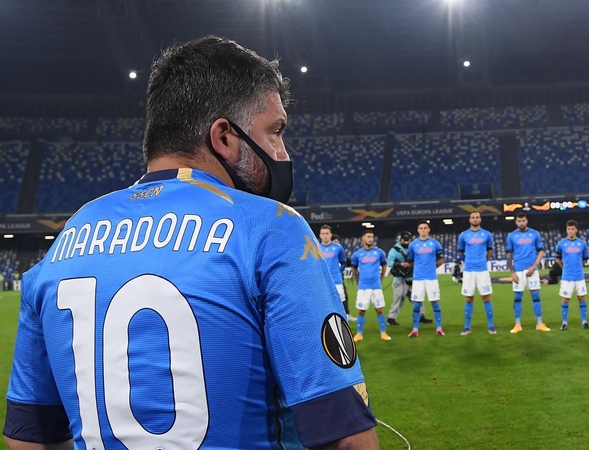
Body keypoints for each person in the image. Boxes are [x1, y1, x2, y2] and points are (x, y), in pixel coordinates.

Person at [3, 36, 379, 450]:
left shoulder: (66, 240)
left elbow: (28, 439)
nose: (282, 152)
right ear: (224, 137)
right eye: (275, 132)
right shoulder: (272, 230)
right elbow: (346, 439)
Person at [506, 212, 549, 333]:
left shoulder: (535, 234)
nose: (521, 223)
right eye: (519, 221)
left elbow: (541, 251)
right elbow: (508, 255)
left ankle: (540, 323)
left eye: (523, 221)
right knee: (517, 297)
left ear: (527, 221)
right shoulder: (511, 236)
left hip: (532, 270)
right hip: (518, 270)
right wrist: (512, 272)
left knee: (536, 296)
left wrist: (534, 266)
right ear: (516, 222)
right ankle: (517, 324)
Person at [457, 211, 496, 335]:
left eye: (477, 217)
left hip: (482, 270)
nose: (475, 219)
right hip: (469, 271)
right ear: (470, 220)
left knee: (486, 297)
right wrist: (466, 262)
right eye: (473, 217)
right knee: (469, 298)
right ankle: (467, 327)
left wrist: (485, 260)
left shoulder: (487, 234)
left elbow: (490, 250)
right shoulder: (463, 235)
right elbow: (460, 252)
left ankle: (491, 326)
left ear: (480, 219)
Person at [407, 221, 446, 337]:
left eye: (425, 228)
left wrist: (431, 268)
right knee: (417, 305)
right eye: (421, 228)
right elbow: (410, 261)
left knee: (435, 303)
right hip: (418, 278)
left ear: (429, 229)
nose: (423, 230)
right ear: (418, 230)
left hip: (431, 278)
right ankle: (415, 329)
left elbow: (441, 260)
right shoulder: (413, 245)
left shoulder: (435, 244)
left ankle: (439, 328)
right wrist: (419, 268)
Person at [352, 229, 391, 342]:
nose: (371, 239)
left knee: (379, 310)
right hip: (363, 286)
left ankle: (383, 333)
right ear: (363, 238)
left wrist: (381, 279)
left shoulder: (380, 252)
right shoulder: (357, 254)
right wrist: (358, 281)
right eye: (368, 236)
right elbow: (354, 269)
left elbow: (384, 266)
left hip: (376, 286)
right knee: (361, 311)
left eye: (372, 237)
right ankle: (359, 334)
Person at [387, 231, 431, 327]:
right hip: (399, 279)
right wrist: (400, 264)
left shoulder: (412, 248)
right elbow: (390, 263)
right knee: (399, 298)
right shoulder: (394, 250)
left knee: (417, 297)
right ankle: (391, 318)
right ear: (400, 239)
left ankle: (421, 316)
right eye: (404, 240)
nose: (406, 242)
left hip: (411, 277)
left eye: (408, 240)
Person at [555, 220, 589, 331]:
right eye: (568, 229)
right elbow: (558, 259)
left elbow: (585, 259)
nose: (570, 231)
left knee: (582, 298)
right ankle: (564, 323)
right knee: (565, 299)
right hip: (567, 277)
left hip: (579, 276)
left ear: (576, 230)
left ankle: (584, 322)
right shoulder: (561, 244)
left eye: (572, 229)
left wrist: (578, 267)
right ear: (566, 230)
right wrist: (564, 268)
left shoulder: (582, 243)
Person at [319, 225, 356, 322]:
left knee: (341, 301)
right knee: (324, 302)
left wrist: (338, 272)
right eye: (323, 234)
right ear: (320, 235)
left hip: (337, 280)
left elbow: (343, 262)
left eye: (327, 233)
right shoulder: (317, 248)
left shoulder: (338, 248)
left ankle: (343, 321)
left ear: (331, 235)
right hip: (322, 281)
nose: (325, 236)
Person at [331, 233, 355, 321]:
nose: (337, 244)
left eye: (338, 242)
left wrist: (339, 271)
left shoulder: (339, 251)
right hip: (330, 279)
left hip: (338, 279)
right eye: (335, 242)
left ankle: (346, 314)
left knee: (344, 297)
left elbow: (345, 262)